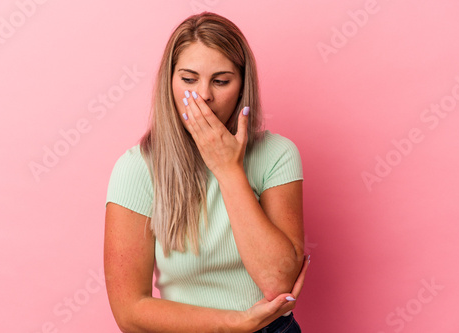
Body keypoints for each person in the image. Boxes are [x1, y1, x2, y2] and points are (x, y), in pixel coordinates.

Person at [104, 12, 310, 332]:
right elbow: (130, 312)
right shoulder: (136, 169)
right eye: (188, 79)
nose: (203, 96)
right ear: (169, 82)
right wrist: (236, 323)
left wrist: (228, 169)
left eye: (221, 80)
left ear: (242, 86)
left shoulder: (277, 155)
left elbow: (278, 281)